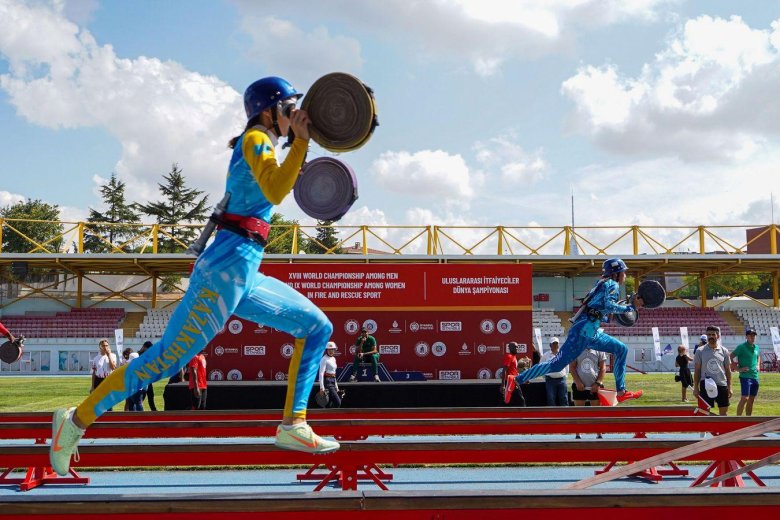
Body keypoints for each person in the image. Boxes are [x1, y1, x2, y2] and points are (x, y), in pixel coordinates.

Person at [50, 76, 340, 478]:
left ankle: (294, 425)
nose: (294, 114)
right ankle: (75, 421)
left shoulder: (267, 146)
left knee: (316, 327)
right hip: (225, 270)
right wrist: (303, 142)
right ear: (267, 111)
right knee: (165, 362)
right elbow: (274, 192)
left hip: (243, 268)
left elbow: (273, 186)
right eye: (289, 107)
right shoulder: (256, 140)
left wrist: (299, 146)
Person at [511, 258, 643, 403]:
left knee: (621, 349)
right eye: (623, 271)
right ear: (616, 273)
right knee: (557, 364)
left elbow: (600, 307)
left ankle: (621, 391)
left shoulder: (602, 283)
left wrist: (619, 311)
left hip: (589, 331)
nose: (625, 274)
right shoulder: (612, 284)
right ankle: (517, 379)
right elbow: (608, 305)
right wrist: (630, 308)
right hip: (584, 331)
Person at [693, 326, 732, 416]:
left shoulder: (724, 351)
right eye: (709, 335)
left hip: (722, 384)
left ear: (718, 336)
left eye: (713, 334)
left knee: (723, 412)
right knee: (705, 412)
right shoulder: (700, 351)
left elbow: (728, 370)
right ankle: (707, 430)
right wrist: (695, 387)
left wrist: (730, 387)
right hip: (706, 385)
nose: (711, 336)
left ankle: (721, 429)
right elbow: (697, 370)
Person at [569, 348, 606, 439]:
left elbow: (603, 368)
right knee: (579, 412)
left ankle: (599, 433)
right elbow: (572, 367)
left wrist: (598, 383)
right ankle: (578, 434)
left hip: (594, 386)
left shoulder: (599, 349)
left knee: (596, 412)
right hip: (579, 386)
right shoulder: (576, 348)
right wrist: (577, 382)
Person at [730, 328, 760, 416]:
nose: (753, 337)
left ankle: (748, 419)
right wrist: (737, 369)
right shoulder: (741, 347)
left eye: (754, 335)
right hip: (745, 377)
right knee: (745, 398)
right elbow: (730, 356)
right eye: (750, 335)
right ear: (746, 336)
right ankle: (737, 420)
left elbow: (758, 356)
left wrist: (758, 365)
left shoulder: (757, 347)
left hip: (755, 377)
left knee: (751, 399)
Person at [542, 337, 569, 406]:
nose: (555, 345)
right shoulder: (545, 355)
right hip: (550, 380)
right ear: (550, 345)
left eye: (556, 343)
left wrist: (565, 375)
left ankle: (565, 414)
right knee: (551, 398)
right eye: (553, 344)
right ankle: (552, 415)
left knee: (564, 398)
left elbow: (566, 365)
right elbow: (541, 366)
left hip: (561, 379)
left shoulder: (562, 354)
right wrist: (544, 376)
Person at [500, 341, 526, 406]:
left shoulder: (514, 357)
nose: (516, 348)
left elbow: (515, 371)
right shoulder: (509, 356)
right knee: (520, 400)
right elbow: (504, 370)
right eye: (515, 347)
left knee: (516, 400)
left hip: (514, 381)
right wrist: (503, 385)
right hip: (509, 382)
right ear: (510, 348)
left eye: (517, 347)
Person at [318, 342, 342, 408]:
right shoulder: (324, 359)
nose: (331, 351)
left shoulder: (334, 359)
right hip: (328, 382)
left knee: (330, 403)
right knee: (338, 402)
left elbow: (334, 373)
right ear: (326, 350)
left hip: (333, 381)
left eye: (333, 349)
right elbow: (321, 373)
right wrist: (321, 388)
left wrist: (336, 386)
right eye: (329, 349)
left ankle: (327, 416)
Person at [138, 341, 158, 411]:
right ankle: (138, 412)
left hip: (148, 379)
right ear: (144, 347)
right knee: (140, 398)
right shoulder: (138, 355)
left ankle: (154, 410)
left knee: (150, 396)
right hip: (141, 380)